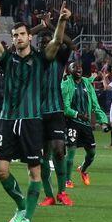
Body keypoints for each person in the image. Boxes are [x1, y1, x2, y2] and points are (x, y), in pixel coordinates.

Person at [0, 0, 70, 222]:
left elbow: (55, 42)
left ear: (29, 37)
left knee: (34, 171)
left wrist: (61, 22)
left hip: (32, 121)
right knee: (0, 170)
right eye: (15, 35)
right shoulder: (8, 60)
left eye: (22, 34)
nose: (19, 38)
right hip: (8, 120)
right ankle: (21, 205)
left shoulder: (40, 60)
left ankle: (28, 218)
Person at [31, 14, 75, 207]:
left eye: (48, 41)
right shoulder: (32, 59)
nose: (44, 44)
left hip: (56, 111)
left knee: (58, 151)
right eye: (41, 41)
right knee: (42, 155)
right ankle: (48, 195)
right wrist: (40, 28)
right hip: (37, 114)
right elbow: (18, 40)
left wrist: (55, 27)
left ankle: (62, 192)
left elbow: (71, 44)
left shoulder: (59, 58)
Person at [62, 62, 108, 188]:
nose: (79, 69)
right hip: (72, 122)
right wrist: (78, 114)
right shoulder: (66, 85)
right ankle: (67, 180)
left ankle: (83, 169)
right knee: (70, 152)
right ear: (70, 70)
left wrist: (103, 121)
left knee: (92, 153)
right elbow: (65, 108)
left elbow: (95, 104)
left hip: (85, 124)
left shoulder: (87, 84)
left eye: (80, 67)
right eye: (75, 67)